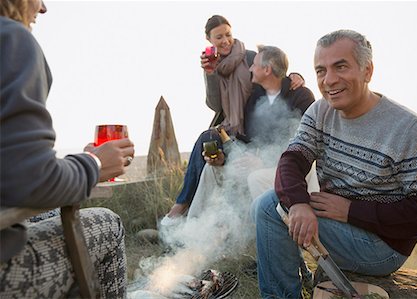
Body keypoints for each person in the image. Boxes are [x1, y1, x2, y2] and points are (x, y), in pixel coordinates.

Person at [253, 29, 417, 299]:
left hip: (383, 246)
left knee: (267, 208)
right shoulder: (320, 111)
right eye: (320, 70)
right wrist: (298, 203)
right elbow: (292, 159)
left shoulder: (408, 128)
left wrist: (352, 211)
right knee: (274, 203)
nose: (329, 80)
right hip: (339, 225)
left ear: (367, 71)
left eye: (341, 66)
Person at [0, 1, 135, 298]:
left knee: (39, 219)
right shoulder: (11, 39)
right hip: (5, 273)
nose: (43, 8)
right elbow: (34, 181)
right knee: (108, 225)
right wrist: (94, 165)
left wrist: (80, 163)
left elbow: (12, 167)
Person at [166, 15, 305, 217]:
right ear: (209, 40)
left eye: (228, 35)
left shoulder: (250, 57)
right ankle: (188, 212)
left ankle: (181, 206)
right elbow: (215, 105)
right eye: (219, 37)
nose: (225, 41)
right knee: (208, 146)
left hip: (249, 129)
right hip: (235, 128)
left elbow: (277, 72)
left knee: (210, 143)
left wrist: (297, 76)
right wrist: (211, 74)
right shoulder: (213, 65)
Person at [187, 45, 316, 218]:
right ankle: (193, 233)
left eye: (254, 64)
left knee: (255, 177)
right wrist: (224, 158)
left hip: (287, 170)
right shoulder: (255, 98)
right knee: (212, 170)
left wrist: (263, 161)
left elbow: (304, 145)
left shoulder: (301, 96)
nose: (250, 68)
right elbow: (246, 140)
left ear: (267, 69)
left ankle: (268, 233)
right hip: (255, 164)